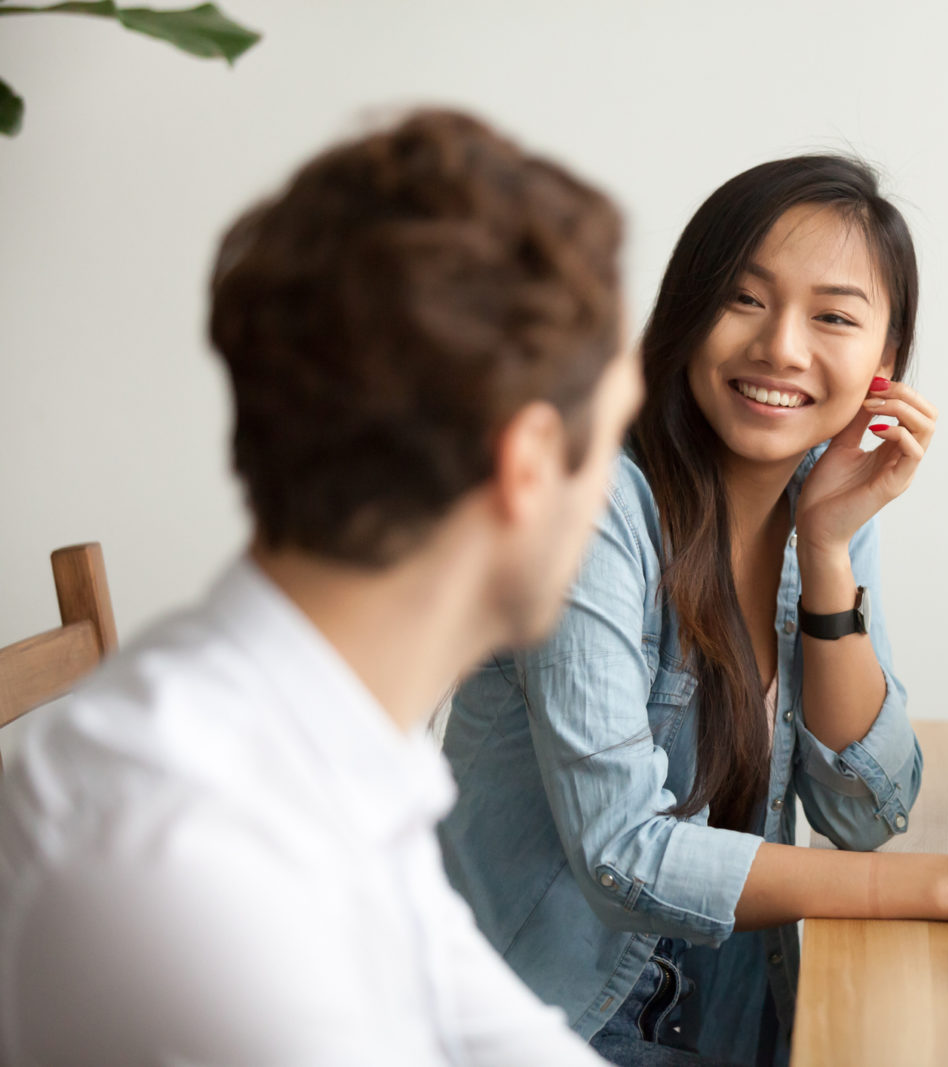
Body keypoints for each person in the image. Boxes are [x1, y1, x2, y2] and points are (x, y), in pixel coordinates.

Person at [440, 155, 948, 1066]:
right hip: (554, 1026)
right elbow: (622, 855)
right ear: (685, 313)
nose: (782, 348)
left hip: (730, 1017)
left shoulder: (821, 488)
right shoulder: (590, 504)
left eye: (833, 316)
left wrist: (828, 549)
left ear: (886, 364)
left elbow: (867, 810)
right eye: (745, 299)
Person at [0, 109, 641, 1065]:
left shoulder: (329, 737)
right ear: (532, 464)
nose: (613, 504)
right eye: (615, 447)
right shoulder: (183, 851)